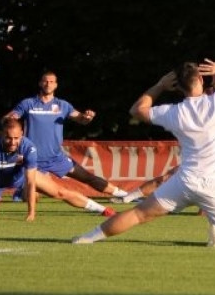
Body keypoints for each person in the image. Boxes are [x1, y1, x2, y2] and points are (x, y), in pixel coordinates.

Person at [72, 60, 215, 246]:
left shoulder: (173, 112)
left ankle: (87, 238)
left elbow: (137, 110)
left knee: (139, 214)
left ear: (178, 87)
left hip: (185, 181)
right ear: (201, 81)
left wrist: (160, 85)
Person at [7, 70, 128, 200]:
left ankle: (124, 195)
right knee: (31, 197)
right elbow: (9, 119)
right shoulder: (28, 103)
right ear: (40, 83)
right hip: (32, 159)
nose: (48, 84)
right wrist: (10, 119)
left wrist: (87, 117)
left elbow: (81, 119)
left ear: (56, 85)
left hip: (56, 158)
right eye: (45, 81)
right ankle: (23, 191)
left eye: (51, 81)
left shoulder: (62, 105)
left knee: (87, 177)